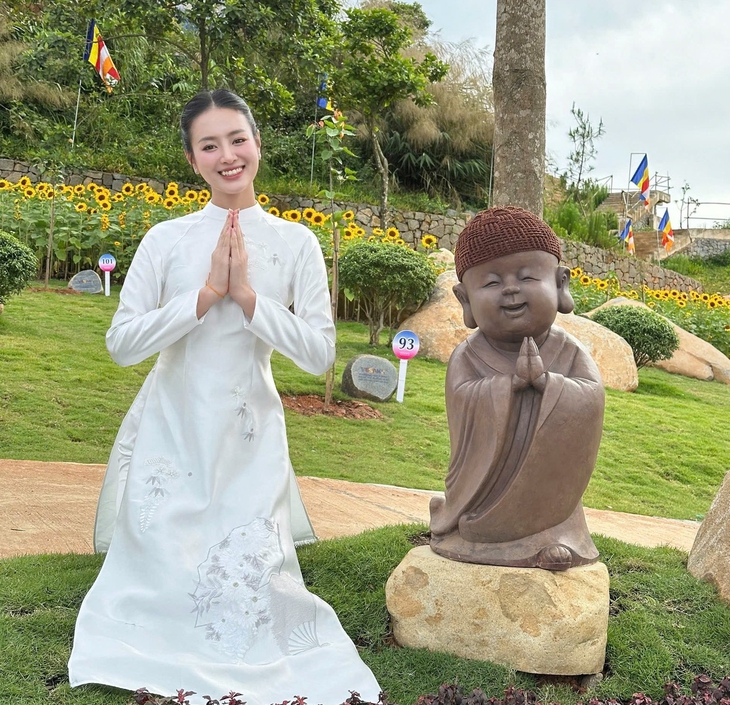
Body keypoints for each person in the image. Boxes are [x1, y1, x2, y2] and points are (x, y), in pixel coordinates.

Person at [68, 89, 381, 704]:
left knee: (246, 583)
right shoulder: (166, 239)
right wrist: (206, 294)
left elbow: (319, 354)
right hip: (172, 422)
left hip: (249, 430)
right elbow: (122, 344)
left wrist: (249, 299)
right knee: (162, 571)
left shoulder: (297, 243)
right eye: (209, 145)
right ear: (192, 160)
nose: (227, 155)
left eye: (238, 139)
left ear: (257, 144)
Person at [429, 206, 605, 571]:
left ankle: (553, 533)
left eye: (526, 277)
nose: (510, 289)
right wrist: (509, 386)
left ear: (560, 284)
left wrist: (546, 383)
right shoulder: (468, 356)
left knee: (551, 511)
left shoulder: (570, 351)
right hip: (486, 498)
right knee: (478, 527)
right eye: (491, 283)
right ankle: (484, 531)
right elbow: (462, 400)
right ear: (465, 299)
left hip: (551, 499)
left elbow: (590, 397)